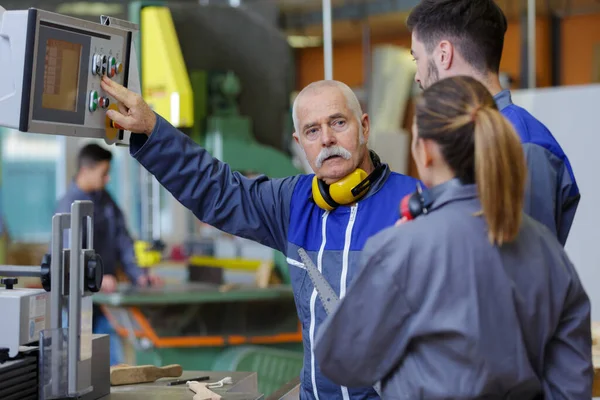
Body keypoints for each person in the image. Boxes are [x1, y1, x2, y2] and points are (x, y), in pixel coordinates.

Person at [100, 74, 420, 399]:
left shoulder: (416, 204)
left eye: (338, 123)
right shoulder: (293, 203)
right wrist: (153, 129)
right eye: (312, 130)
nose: (326, 139)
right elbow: (218, 191)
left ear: (364, 127)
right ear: (300, 142)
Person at [315, 76, 593, 399]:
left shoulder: (401, 248)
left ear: (426, 152)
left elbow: (338, 359)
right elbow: (572, 381)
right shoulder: (545, 247)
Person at [406, 0, 580, 246]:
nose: (418, 76)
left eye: (417, 59)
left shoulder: (523, 145)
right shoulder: (459, 138)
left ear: (444, 55)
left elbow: (523, 268)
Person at [54, 143, 164, 365]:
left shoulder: (105, 201)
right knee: (74, 360)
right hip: (75, 300)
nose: (108, 179)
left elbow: (122, 239)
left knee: (111, 362)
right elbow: (69, 256)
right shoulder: (68, 206)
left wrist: (139, 275)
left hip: (103, 300)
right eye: (104, 173)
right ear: (86, 170)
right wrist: (96, 278)